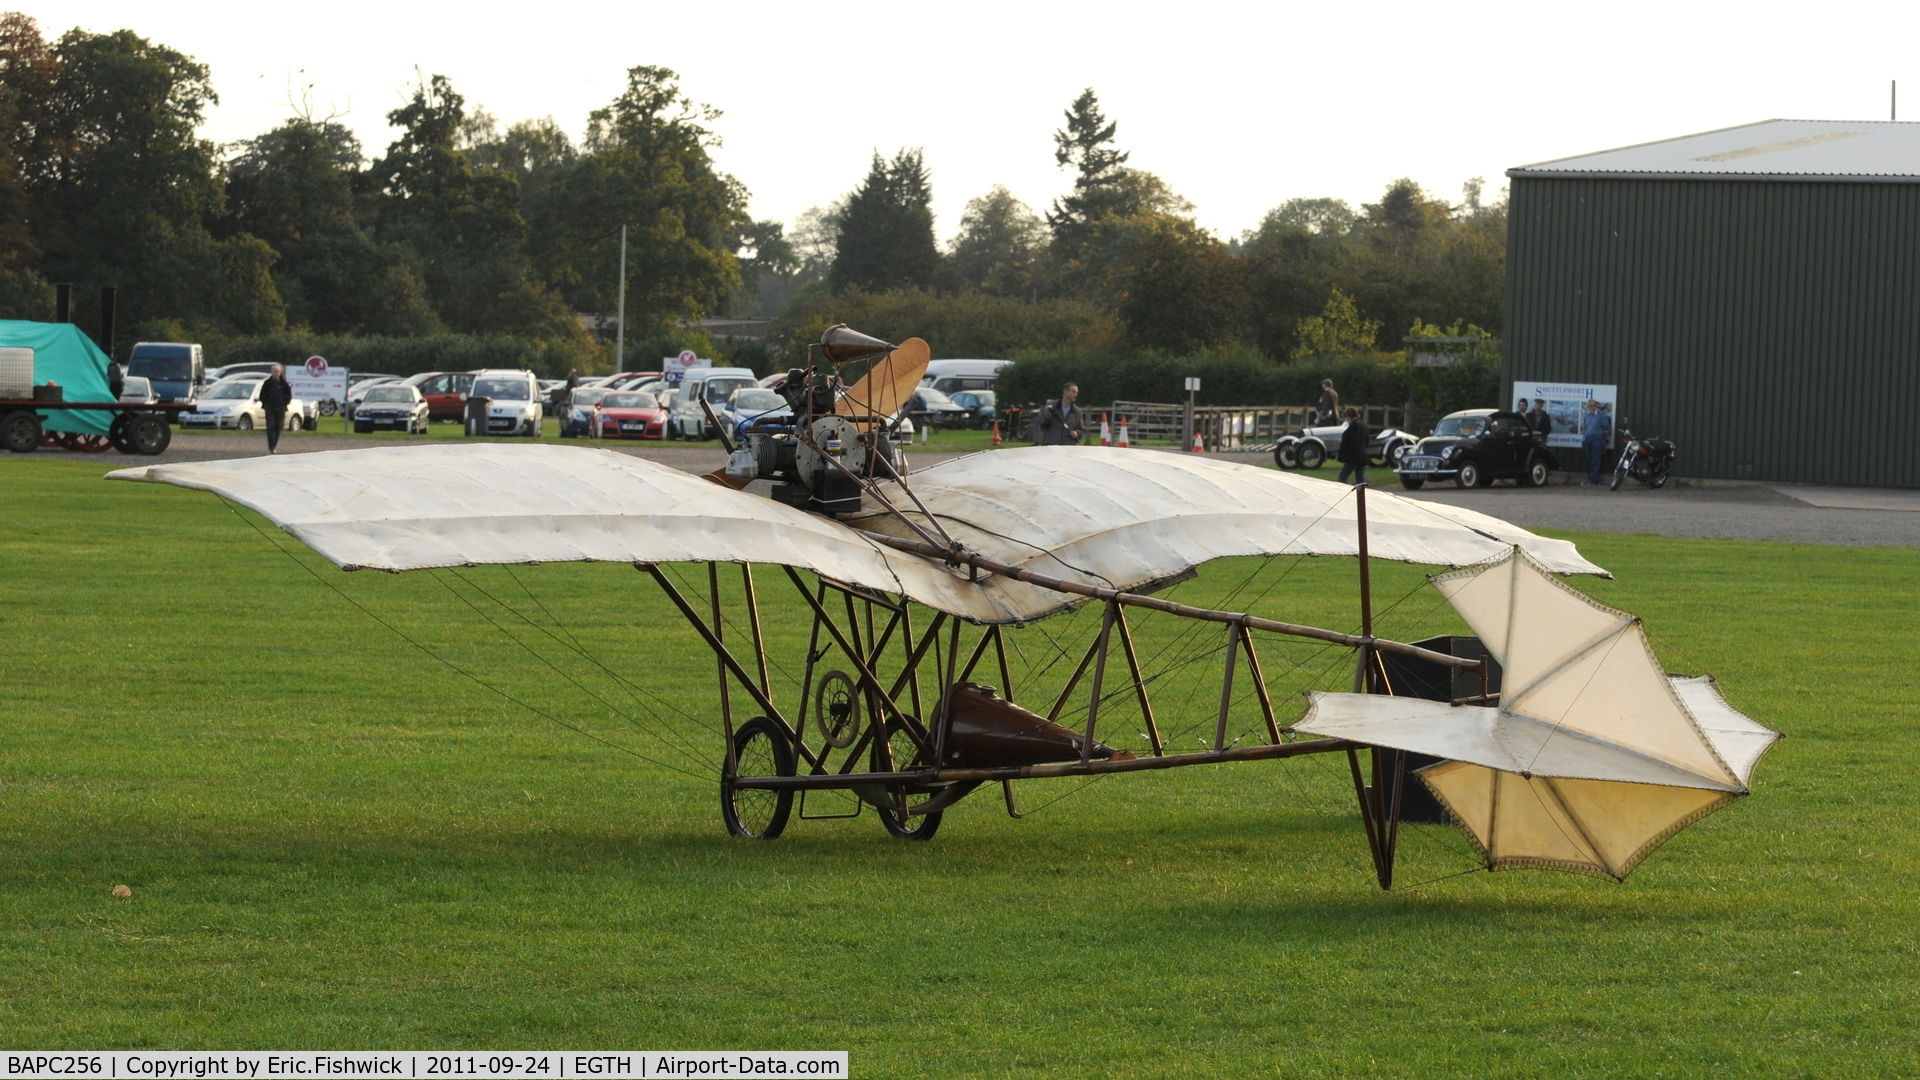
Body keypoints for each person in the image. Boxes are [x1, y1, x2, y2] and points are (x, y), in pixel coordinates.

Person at [260, 363, 293, 454]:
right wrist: (265, 403)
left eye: (278, 371)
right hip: (269, 407)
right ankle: (271, 446)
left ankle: (275, 444)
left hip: (280, 408)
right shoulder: (267, 383)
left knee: (278, 427)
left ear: (280, 372)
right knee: (271, 426)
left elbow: (288, 395)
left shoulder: (284, 383)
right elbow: (262, 395)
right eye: (275, 371)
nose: (276, 373)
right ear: (272, 372)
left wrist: (284, 403)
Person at [1335, 406, 1369, 485]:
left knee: (1342, 477)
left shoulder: (1354, 426)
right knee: (1360, 479)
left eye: (1346, 417)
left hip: (1354, 456)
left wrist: (1347, 453)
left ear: (1349, 416)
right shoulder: (1362, 425)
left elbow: (1353, 441)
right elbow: (1367, 440)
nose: (1346, 420)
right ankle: (1362, 495)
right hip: (1363, 454)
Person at [1580, 399, 1608, 484]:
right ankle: (1590, 478)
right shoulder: (1587, 416)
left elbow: (1606, 426)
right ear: (1588, 407)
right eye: (1590, 406)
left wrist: (1602, 436)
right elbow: (1585, 429)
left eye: (1594, 406)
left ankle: (1593, 480)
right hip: (1588, 439)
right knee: (1588, 460)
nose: (1593, 407)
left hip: (1597, 439)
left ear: (1596, 406)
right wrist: (1583, 441)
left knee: (1595, 460)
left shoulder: (1601, 415)